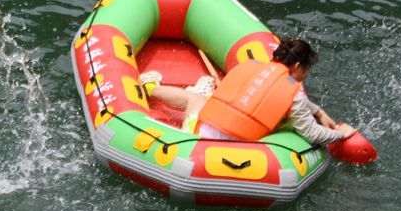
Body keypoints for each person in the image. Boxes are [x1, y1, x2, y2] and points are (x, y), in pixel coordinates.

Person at [144, 38, 358, 145]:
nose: (307, 74)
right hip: (233, 149)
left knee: (196, 99)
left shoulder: (251, 67)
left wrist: (318, 112)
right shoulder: (295, 95)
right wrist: (340, 135)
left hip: (199, 133)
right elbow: (311, 133)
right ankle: (153, 88)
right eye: (307, 69)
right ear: (297, 66)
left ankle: (151, 87)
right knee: (199, 99)